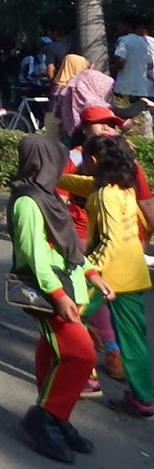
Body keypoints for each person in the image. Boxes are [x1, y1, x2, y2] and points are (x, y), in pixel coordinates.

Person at [8, 135, 103, 463]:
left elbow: (68, 247)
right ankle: (44, 417)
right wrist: (59, 295)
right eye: (57, 160)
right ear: (44, 162)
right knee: (82, 355)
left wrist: (91, 273)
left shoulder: (47, 196)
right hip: (50, 293)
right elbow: (34, 256)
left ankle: (57, 417)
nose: (63, 167)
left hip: (68, 288)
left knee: (53, 354)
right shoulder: (27, 202)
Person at [57, 135, 154, 417]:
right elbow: (79, 184)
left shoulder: (104, 195)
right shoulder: (122, 188)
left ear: (93, 160)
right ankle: (144, 399)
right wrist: (50, 177)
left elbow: (110, 240)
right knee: (133, 340)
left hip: (106, 275)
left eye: (85, 161)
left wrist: (90, 271)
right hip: (132, 273)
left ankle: (85, 378)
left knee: (68, 319)